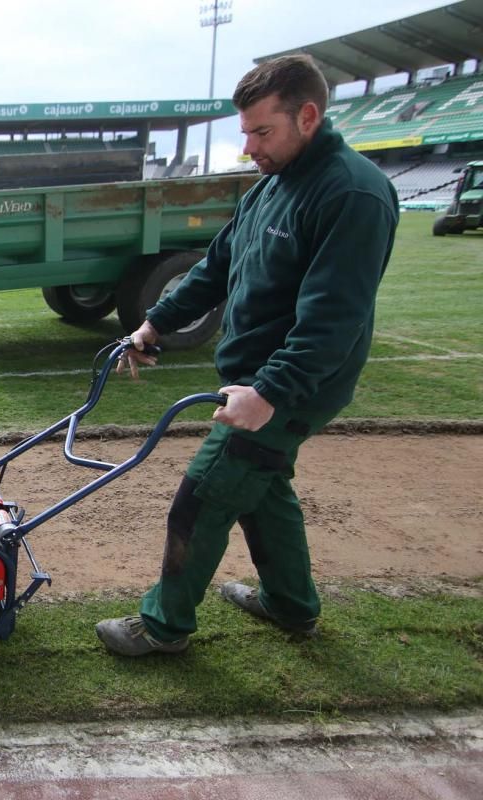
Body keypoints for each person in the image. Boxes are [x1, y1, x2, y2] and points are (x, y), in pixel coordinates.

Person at [94, 54, 399, 656]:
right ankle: (291, 606)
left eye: (263, 132)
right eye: (247, 133)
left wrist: (270, 393)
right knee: (262, 492)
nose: (251, 147)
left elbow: (333, 319)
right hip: (253, 379)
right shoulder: (271, 188)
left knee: (204, 495)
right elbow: (214, 269)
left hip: (293, 385)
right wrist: (153, 325)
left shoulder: (353, 194)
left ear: (307, 116)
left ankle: (163, 626)